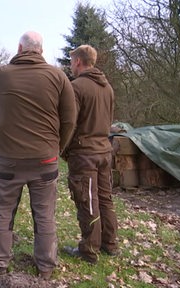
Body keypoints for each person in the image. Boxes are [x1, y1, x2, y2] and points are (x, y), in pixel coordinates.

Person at [0, 31, 77, 280]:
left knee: (4, 211)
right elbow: (70, 118)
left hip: (9, 161)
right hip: (45, 160)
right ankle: (45, 268)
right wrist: (57, 148)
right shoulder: (58, 76)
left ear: (20, 48)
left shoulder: (2, 74)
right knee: (44, 214)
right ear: (41, 50)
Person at [62, 45, 119, 264]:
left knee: (87, 200)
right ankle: (110, 243)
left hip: (84, 153)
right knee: (105, 199)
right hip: (105, 151)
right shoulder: (108, 88)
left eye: (71, 61)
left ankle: (89, 249)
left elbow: (69, 123)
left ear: (78, 62)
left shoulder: (76, 87)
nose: (70, 66)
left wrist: (64, 149)